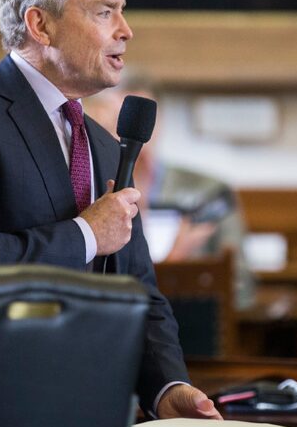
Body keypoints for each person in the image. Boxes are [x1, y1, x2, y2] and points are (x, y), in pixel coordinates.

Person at [0, 0, 221, 420]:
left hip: (98, 412)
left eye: (122, 9)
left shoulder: (100, 141)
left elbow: (136, 288)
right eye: (104, 12)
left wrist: (167, 387)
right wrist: (85, 235)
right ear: (41, 25)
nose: (126, 30)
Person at [83, 73, 255, 310]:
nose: (128, 134)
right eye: (117, 120)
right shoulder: (87, 192)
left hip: (192, 326)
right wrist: (172, 264)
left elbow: (241, 285)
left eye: (139, 120)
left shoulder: (209, 194)